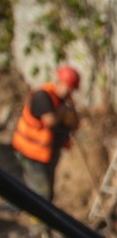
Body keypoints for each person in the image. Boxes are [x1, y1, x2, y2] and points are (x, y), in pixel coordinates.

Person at [12, 65, 81, 201]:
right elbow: (50, 120)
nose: (70, 91)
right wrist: (64, 112)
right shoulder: (42, 96)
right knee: (41, 195)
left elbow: (73, 121)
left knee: (45, 191)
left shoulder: (65, 100)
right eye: (69, 87)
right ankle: (36, 221)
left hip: (48, 153)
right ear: (61, 82)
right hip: (31, 153)